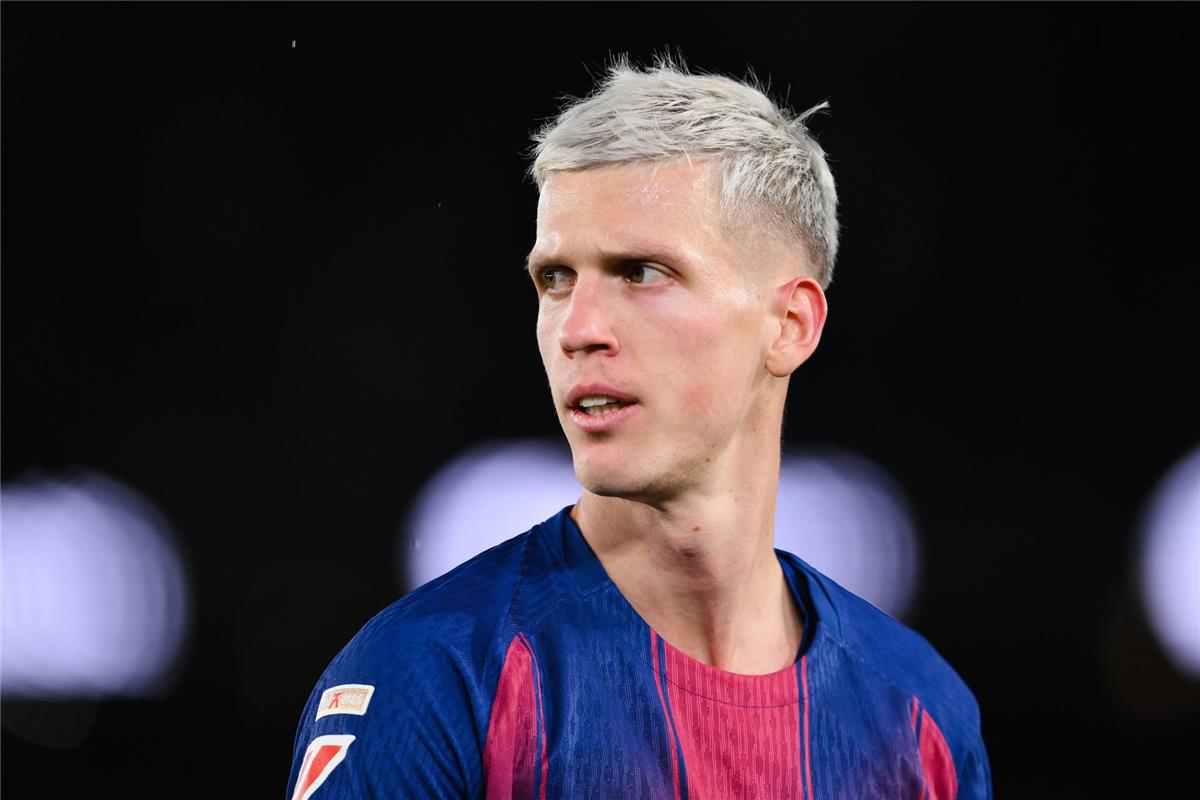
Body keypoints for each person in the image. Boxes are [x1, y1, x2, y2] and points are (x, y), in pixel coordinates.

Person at [286, 56, 992, 800]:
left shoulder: (922, 717)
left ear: (790, 324)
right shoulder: (426, 679)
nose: (577, 329)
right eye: (556, 279)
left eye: (642, 273)